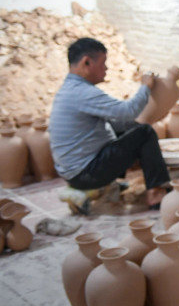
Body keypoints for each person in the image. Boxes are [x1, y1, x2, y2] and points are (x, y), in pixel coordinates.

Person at [49, 37, 170, 208]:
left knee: (129, 128)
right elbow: (128, 111)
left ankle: (131, 181)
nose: (107, 69)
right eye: (104, 63)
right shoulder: (82, 93)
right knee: (145, 133)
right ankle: (156, 194)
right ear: (87, 62)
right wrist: (146, 87)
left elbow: (122, 120)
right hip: (85, 174)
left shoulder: (70, 89)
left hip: (75, 172)